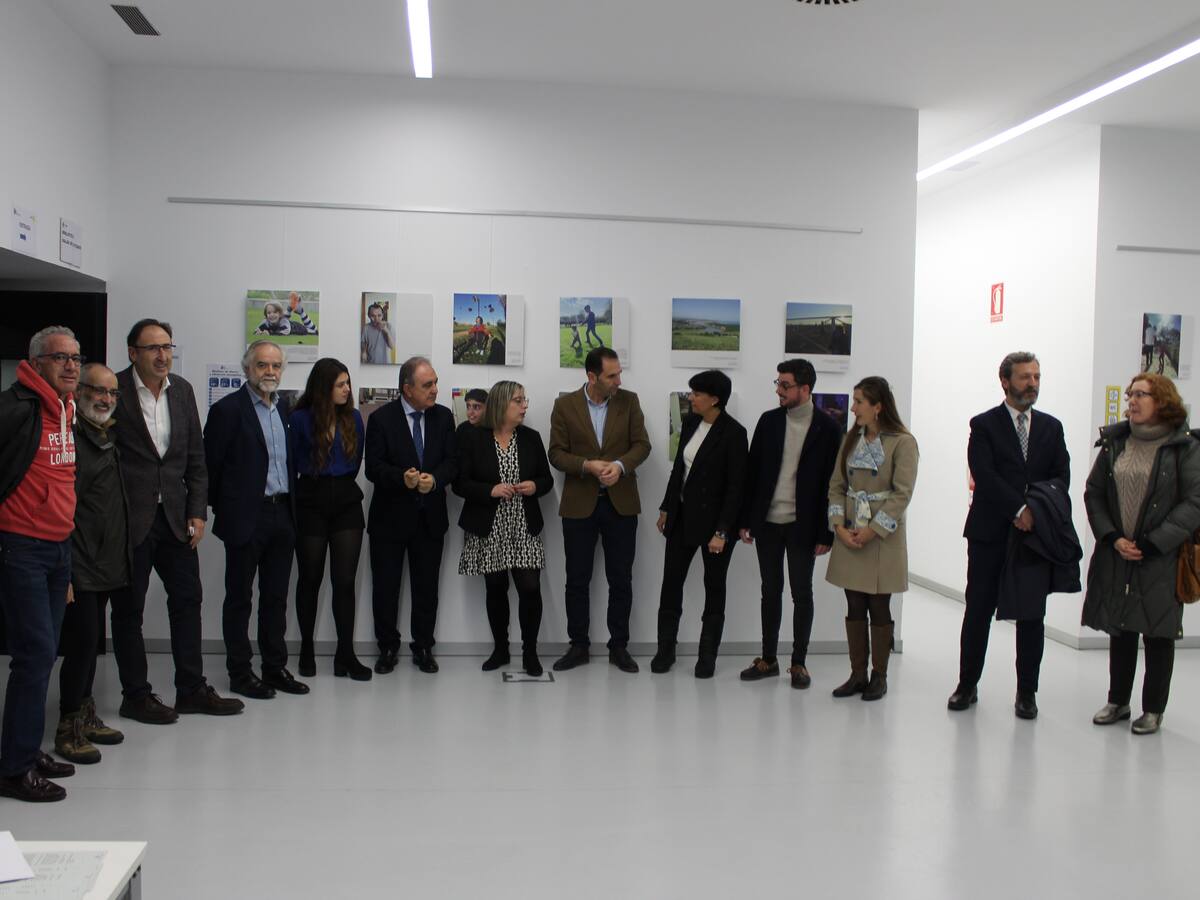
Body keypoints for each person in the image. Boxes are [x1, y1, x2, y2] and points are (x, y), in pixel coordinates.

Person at [112, 319, 243, 723]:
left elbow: (196, 462)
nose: (162, 355)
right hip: (129, 520)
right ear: (133, 353)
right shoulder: (112, 389)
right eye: (152, 348)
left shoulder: (182, 392)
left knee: (188, 602)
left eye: (167, 346)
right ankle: (136, 695)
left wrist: (197, 512)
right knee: (128, 610)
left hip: (175, 519)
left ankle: (191, 689)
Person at [949, 351, 1070, 720]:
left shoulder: (1051, 427)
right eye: (1024, 377)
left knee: (1032, 615)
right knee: (979, 610)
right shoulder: (984, 425)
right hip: (990, 533)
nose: (1032, 384)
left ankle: (1026, 693)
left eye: (1036, 376)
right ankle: (967, 685)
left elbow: (1060, 477)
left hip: (1034, 535)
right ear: (1005, 381)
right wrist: (1018, 510)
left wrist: (1034, 510)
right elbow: (984, 475)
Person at [1082, 374, 1200, 735]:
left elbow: (1194, 502)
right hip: (1118, 552)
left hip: (1160, 556)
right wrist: (1113, 536)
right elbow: (1094, 493)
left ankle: (1153, 709)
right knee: (1120, 628)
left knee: (1158, 632)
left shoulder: (1185, 447)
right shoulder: (1116, 443)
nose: (1132, 400)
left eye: (1141, 395)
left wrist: (1153, 543)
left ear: (1162, 400)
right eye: (1131, 394)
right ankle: (1118, 701)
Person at [0, 327, 81, 802]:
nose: (71, 366)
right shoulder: (14, 408)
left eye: (75, 358)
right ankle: (13, 769)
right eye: (60, 359)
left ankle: (25, 751)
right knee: (32, 658)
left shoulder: (67, 409)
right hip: (23, 546)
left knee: (45, 653)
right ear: (36, 362)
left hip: (58, 547)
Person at [204, 340, 307, 699]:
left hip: (282, 515)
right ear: (247, 368)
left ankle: (275, 668)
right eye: (263, 365)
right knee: (239, 598)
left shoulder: (283, 411)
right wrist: (227, 510)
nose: (270, 372)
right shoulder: (228, 411)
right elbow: (210, 470)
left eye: (276, 366)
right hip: (247, 517)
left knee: (276, 597)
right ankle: (240, 672)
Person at [738, 359, 841, 688]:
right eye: (778, 383)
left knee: (802, 594)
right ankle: (768, 659)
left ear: (805, 389)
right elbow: (751, 474)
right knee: (770, 592)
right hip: (768, 523)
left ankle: (799, 663)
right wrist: (746, 520)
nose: (778, 390)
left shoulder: (828, 428)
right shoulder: (768, 422)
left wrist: (827, 532)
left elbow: (833, 483)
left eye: (785, 385)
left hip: (804, 526)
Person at [548, 347, 651, 673]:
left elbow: (642, 445)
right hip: (580, 506)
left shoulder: (629, 401)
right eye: (612, 375)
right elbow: (556, 454)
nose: (619, 380)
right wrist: (586, 465)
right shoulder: (564, 406)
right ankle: (578, 645)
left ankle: (618, 646)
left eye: (619, 373)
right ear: (592, 377)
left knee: (621, 579)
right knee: (576, 579)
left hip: (621, 505)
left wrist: (620, 466)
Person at [826, 377, 919, 701]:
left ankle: (879, 676)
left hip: (881, 537)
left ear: (878, 406)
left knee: (879, 605)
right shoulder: (851, 439)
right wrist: (838, 525)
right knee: (854, 603)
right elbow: (836, 485)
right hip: (850, 532)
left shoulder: (903, 443)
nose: (852, 408)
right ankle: (857, 674)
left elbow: (902, 494)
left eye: (859, 401)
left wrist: (872, 530)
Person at [453, 381, 554, 676]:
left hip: (524, 526)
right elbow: (460, 484)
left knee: (530, 589)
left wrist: (535, 485)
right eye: (518, 401)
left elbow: (546, 480)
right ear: (501, 404)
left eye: (525, 400)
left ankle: (530, 652)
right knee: (495, 589)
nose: (524, 406)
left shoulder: (532, 438)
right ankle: (500, 648)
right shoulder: (474, 438)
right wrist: (491, 490)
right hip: (488, 526)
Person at [651, 370, 747, 678]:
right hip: (681, 517)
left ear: (715, 399)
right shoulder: (691, 423)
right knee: (671, 584)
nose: (690, 398)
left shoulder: (734, 433)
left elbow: (736, 488)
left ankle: (707, 656)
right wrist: (667, 506)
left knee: (714, 588)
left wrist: (722, 532)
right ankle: (665, 650)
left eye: (696, 394)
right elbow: (679, 468)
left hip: (715, 526)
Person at [365, 356, 457, 674]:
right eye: (427, 385)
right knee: (386, 588)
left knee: (426, 589)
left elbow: (451, 462)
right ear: (407, 389)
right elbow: (373, 467)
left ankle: (423, 647)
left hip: (429, 519)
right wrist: (400, 478)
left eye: (434, 383)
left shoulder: (443, 417)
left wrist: (436, 480)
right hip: (389, 520)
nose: (434, 389)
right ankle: (388, 647)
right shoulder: (381, 419)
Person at [55, 364, 128, 764]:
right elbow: (65, 507)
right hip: (79, 560)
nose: (105, 399)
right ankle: (68, 727)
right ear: (80, 391)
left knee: (91, 641)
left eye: (113, 393)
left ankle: (85, 713)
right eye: (98, 391)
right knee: (81, 644)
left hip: (104, 560)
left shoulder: (105, 434)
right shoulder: (70, 437)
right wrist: (65, 569)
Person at [290, 358, 370, 681]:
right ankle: (306, 647)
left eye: (348, 383)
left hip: (347, 502)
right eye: (341, 384)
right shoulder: (299, 419)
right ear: (324, 387)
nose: (347, 390)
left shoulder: (353, 418)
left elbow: (355, 463)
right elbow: (293, 461)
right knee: (310, 579)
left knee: (345, 582)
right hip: (310, 500)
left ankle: (345, 654)